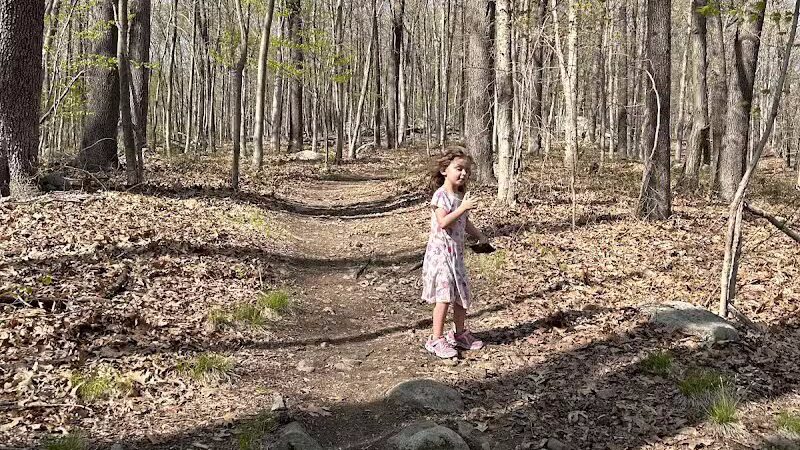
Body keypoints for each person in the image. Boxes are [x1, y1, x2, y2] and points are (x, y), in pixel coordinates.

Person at [421, 147, 489, 358]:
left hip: (456, 256)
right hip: (441, 255)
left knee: (461, 295)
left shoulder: (460, 195)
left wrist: (480, 236)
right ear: (444, 170)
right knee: (444, 297)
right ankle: (436, 339)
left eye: (466, 170)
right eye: (458, 168)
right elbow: (443, 222)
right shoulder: (441, 196)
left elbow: (464, 221)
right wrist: (462, 208)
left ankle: (459, 334)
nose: (463, 174)